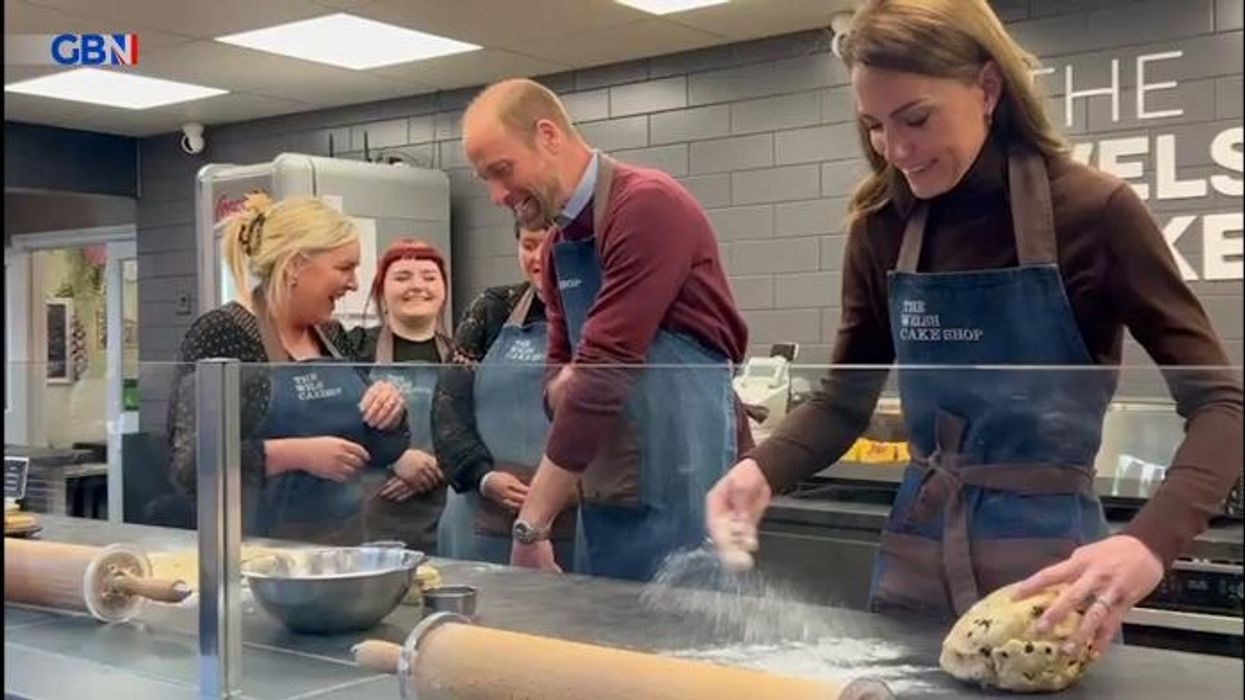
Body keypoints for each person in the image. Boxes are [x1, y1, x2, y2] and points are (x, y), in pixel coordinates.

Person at [705, 0, 1243, 658]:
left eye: (916, 118)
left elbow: (1221, 402)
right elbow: (843, 400)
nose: (895, 150)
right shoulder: (879, 227)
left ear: (986, 88)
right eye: (873, 125)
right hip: (914, 551)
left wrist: (1148, 542)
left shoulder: (1093, 211)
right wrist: (759, 470)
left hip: (1051, 567)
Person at [461, 78, 753, 582]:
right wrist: (577, 382)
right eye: (485, 179)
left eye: (502, 171)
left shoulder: (646, 207)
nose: (495, 195)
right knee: (606, 632)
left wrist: (532, 524)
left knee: (682, 636)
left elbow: (600, 374)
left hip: (680, 477)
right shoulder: (557, 247)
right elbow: (560, 387)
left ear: (548, 136)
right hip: (606, 490)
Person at [168, 194, 409, 545]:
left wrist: (390, 416)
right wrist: (295, 455)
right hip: (256, 553)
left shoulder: (329, 333)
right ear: (296, 265)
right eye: (344, 268)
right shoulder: (223, 335)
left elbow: (383, 451)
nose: (355, 283)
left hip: (343, 545)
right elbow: (189, 467)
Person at [435, 221, 577, 567]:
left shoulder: (600, 315)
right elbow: (447, 406)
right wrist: (483, 477)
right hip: (479, 510)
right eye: (529, 245)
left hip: (573, 514)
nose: (540, 257)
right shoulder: (492, 309)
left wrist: (566, 488)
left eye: (551, 245)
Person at [347, 239, 455, 554]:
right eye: (402, 277)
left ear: (444, 291)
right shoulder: (354, 349)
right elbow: (332, 417)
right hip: (374, 510)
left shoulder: (464, 353)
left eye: (429, 277)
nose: (417, 286)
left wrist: (441, 464)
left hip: (447, 510)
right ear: (382, 292)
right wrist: (396, 457)